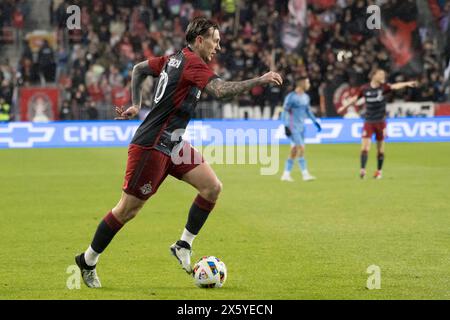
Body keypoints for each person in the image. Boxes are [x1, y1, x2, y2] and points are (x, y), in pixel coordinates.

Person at [75, 17, 283, 288]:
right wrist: (261, 79)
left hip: (173, 144)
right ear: (199, 40)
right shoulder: (193, 63)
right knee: (127, 210)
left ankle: (183, 244)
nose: (218, 47)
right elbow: (220, 91)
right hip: (151, 146)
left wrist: (137, 104)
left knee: (212, 187)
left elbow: (139, 69)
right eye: (215, 41)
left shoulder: (173, 58)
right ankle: (88, 260)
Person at [338, 69, 417, 179]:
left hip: (380, 122)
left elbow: (395, 86)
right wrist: (344, 107)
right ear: (374, 76)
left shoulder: (383, 88)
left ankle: (379, 171)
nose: (383, 76)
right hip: (368, 121)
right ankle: (362, 170)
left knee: (380, 150)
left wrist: (407, 83)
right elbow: (355, 98)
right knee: (365, 148)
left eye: (383, 75)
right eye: (380, 75)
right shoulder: (365, 88)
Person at [281, 77, 322, 182]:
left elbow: (308, 111)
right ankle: (305, 174)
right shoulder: (291, 97)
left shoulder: (306, 97)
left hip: (301, 127)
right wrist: (285, 126)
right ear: (302, 84)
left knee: (294, 150)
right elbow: (284, 111)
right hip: (292, 127)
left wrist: (315, 122)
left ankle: (286, 174)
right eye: (307, 82)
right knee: (301, 148)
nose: (309, 84)